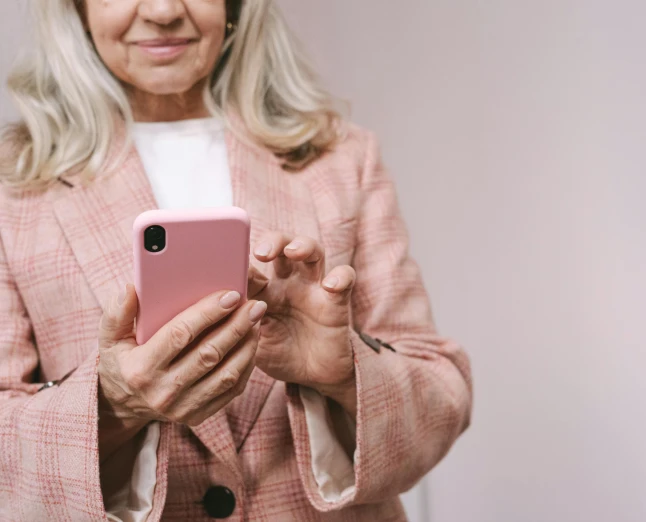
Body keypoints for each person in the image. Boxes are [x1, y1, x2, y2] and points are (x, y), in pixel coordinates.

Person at [0, 0, 472, 520]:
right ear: (76, 8)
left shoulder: (342, 158)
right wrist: (113, 404)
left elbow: (443, 393)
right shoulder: (12, 187)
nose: (161, 10)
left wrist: (344, 372)